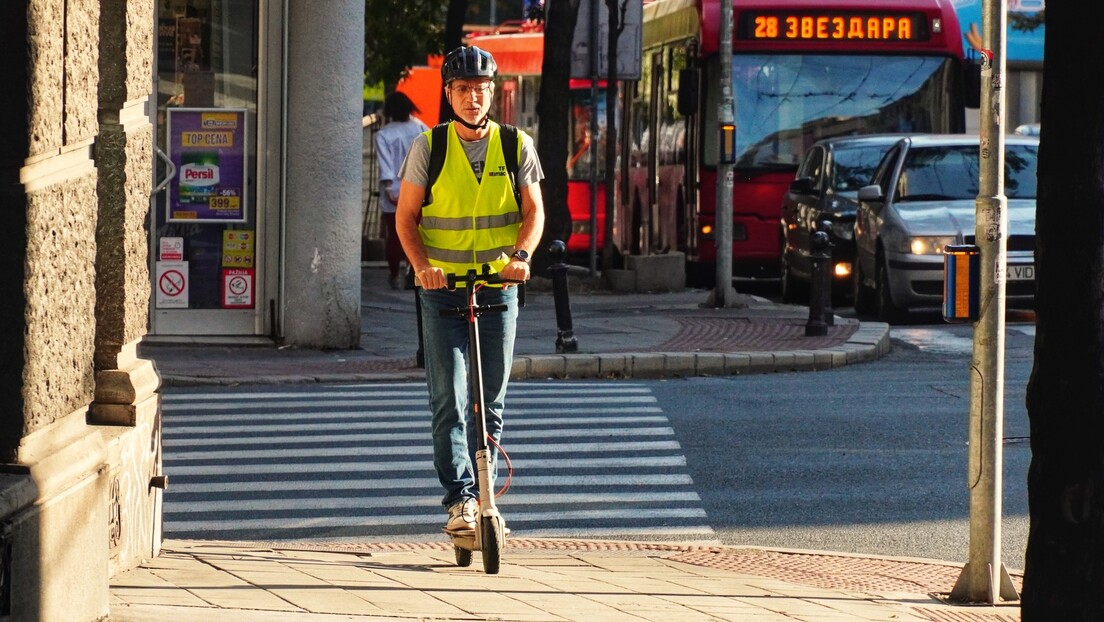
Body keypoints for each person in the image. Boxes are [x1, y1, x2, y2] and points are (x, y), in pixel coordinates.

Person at [394, 46, 545, 532]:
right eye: (463, 90)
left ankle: (486, 497)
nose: (473, 98)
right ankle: (459, 499)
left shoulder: (516, 144)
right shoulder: (429, 147)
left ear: (493, 92)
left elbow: (534, 211)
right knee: (450, 398)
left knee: (491, 400)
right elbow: (406, 218)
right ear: (449, 95)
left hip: (498, 289)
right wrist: (422, 267)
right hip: (442, 291)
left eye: (481, 89)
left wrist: (520, 257)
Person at [375, 92, 429, 289]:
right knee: (416, 233)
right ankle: (413, 270)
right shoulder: (421, 128)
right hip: (419, 189)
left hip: (395, 192)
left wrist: (389, 188)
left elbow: (385, 164)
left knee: (395, 235)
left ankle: (394, 273)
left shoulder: (384, 134)